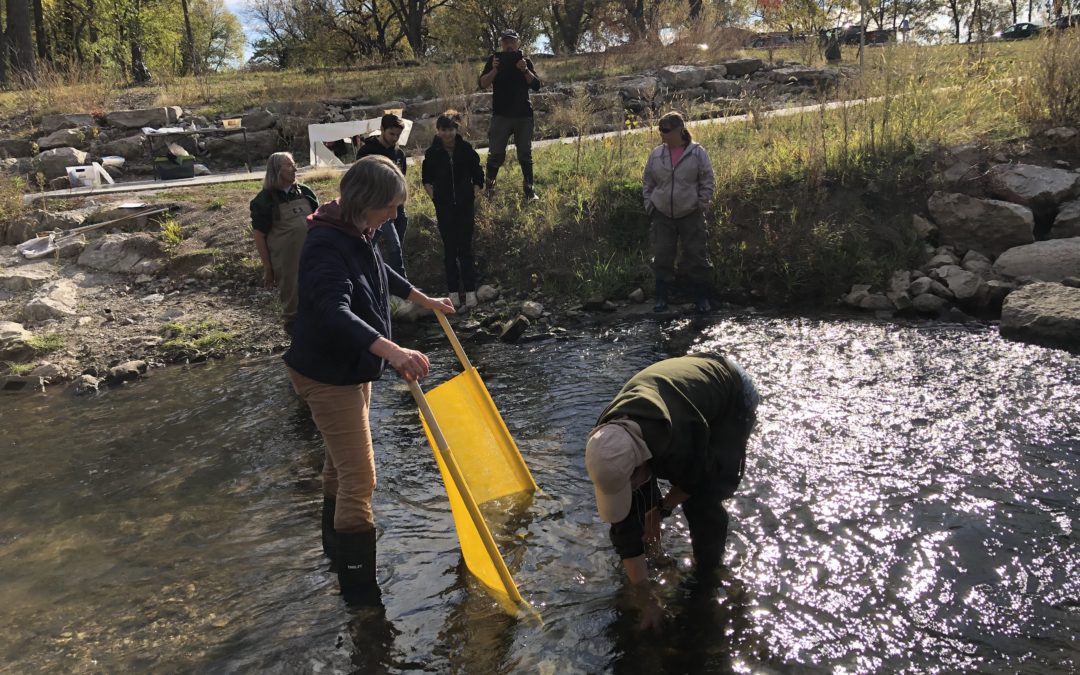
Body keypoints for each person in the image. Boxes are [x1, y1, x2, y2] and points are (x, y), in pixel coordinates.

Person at [283, 155, 455, 607]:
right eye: (391, 207)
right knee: (361, 479)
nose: (395, 215)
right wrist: (393, 350)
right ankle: (361, 598)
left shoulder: (356, 229)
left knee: (340, 466)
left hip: (349, 366)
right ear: (366, 201)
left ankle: (335, 557)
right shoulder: (324, 244)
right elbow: (332, 312)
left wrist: (422, 298)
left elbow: (379, 272)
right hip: (327, 373)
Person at [585, 353, 759, 630]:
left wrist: (664, 507)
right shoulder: (605, 441)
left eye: (633, 478)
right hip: (675, 401)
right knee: (638, 498)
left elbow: (699, 478)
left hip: (731, 392)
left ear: (641, 463)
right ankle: (653, 542)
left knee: (704, 502)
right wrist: (645, 596)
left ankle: (708, 573)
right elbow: (623, 524)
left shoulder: (677, 442)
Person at [642, 112, 716, 314]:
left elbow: (707, 179)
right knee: (662, 256)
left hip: (691, 213)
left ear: (679, 130)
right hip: (662, 214)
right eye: (660, 130)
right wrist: (650, 205)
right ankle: (660, 298)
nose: (662, 135)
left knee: (696, 256)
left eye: (666, 130)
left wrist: (702, 203)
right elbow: (648, 182)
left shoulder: (698, 152)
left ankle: (702, 298)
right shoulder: (656, 154)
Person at [249, 152, 319, 335]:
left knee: (318, 295)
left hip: (312, 256)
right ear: (275, 170)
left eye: (294, 164)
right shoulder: (264, 200)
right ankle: (297, 344)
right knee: (293, 304)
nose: (294, 169)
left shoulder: (306, 192)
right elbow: (259, 235)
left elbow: (320, 222)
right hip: (286, 262)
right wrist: (268, 268)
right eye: (288, 165)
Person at [421, 110, 485, 309]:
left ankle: (471, 292)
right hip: (444, 207)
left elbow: (478, 176)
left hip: (465, 207)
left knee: (465, 248)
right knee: (450, 250)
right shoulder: (432, 153)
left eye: (450, 129)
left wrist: (471, 194)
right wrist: (436, 199)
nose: (447, 134)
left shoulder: (466, 149)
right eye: (443, 130)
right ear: (438, 131)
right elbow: (426, 180)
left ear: (456, 130)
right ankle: (454, 293)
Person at [478, 29, 542, 200]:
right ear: (501, 44)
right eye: (505, 41)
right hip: (501, 115)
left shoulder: (525, 62)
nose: (509, 45)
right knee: (495, 153)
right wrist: (494, 70)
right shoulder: (494, 61)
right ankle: (489, 189)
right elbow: (482, 84)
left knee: (525, 154)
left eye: (512, 41)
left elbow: (536, 85)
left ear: (518, 43)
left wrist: (525, 70)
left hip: (523, 115)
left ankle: (529, 190)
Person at [356, 113, 409, 279]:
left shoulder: (399, 154)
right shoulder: (367, 152)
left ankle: (387, 283)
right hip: (377, 207)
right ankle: (402, 288)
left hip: (398, 208)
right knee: (393, 246)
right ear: (382, 130)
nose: (394, 138)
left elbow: (402, 179)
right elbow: (361, 180)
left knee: (396, 246)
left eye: (398, 135)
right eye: (391, 134)